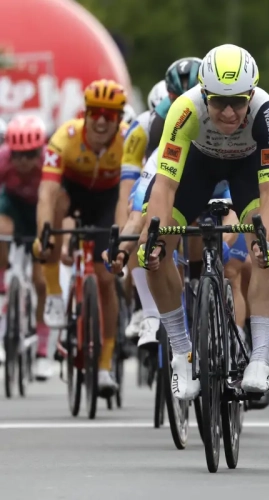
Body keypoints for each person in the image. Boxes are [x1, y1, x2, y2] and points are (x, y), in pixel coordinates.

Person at [132, 44, 269, 401]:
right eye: (219, 101)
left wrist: (266, 239)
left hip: (248, 172)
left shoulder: (266, 114)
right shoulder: (184, 109)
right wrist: (153, 235)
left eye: (238, 101)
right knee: (154, 245)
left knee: (266, 247)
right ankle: (181, 353)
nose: (230, 112)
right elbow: (166, 185)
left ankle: (260, 359)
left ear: (252, 94)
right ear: (204, 94)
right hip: (196, 170)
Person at [35, 79, 130, 394]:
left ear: (119, 118)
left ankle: (104, 366)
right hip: (72, 196)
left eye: (110, 114)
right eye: (96, 112)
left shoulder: (129, 140)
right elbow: (47, 194)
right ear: (86, 113)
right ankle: (53, 294)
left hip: (108, 201)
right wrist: (44, 235)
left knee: (105, 278)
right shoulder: (65, 137)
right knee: (54, 217)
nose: (102, 120)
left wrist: (121, 239)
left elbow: (129, 196)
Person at [121, 57, 202, 343]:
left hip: (209, 179)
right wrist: (126, 235)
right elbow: (139, 185)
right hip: (165, 173)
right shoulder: (153, 123)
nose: (184, 103)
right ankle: (149, 312)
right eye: (176, 97)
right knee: (143, 223)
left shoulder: (218, 113)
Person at [0, 115, 50, 378]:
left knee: (41, 282)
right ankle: (3, 280)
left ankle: (42, 351)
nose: (23, 162)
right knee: (2, 229)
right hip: (12, 208)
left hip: (41, 211)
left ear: (40, 150)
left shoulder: (48, 162)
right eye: (17, 155)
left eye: (30, 154)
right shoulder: (2, 160)